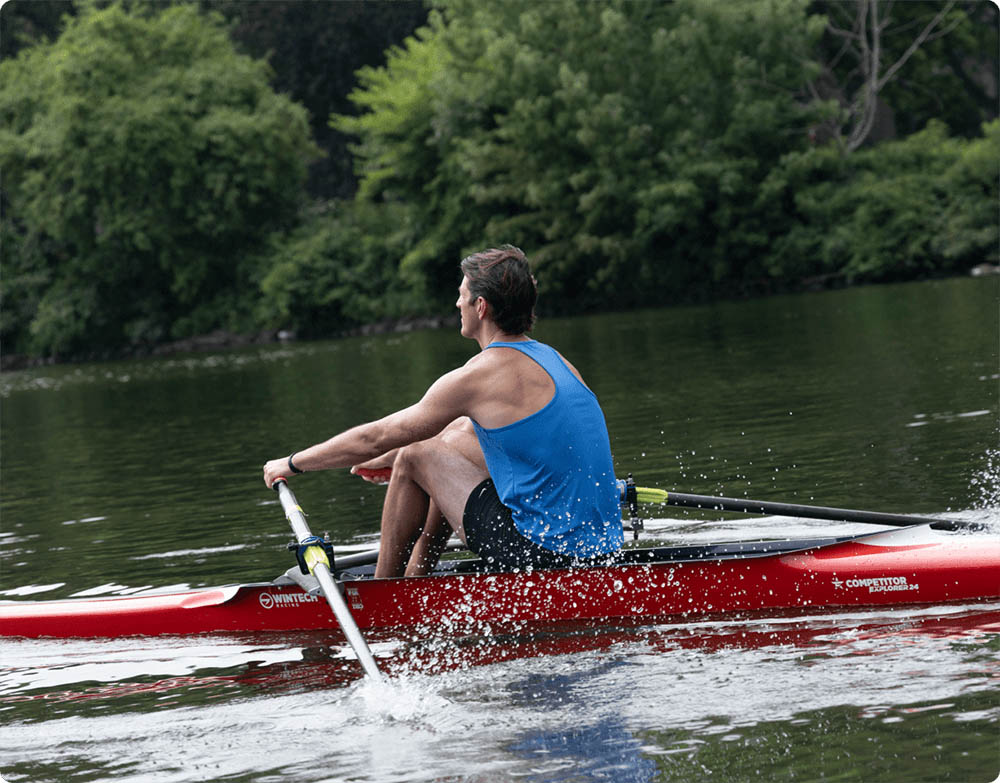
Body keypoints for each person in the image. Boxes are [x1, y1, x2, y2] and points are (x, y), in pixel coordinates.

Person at [263, 245, 623, 577]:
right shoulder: (554, 359)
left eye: (462, 295)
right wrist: (389, 454)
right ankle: (418, 577)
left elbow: (376, 436)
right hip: (600, 553)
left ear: (481, 307)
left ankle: (384, 595)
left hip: (543, 556)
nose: (457, 304)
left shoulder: (478, 376)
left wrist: (292, 463)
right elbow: (459, 432)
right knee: (439, 442)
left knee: (416, 456)